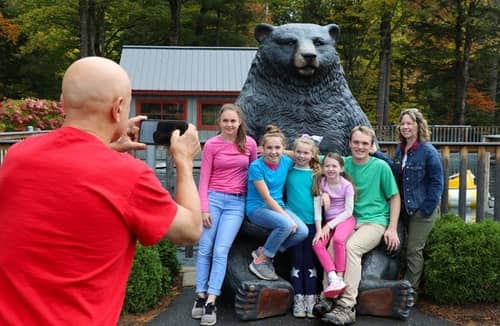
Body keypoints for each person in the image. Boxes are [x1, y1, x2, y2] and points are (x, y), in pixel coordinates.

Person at [0, 56, 202, 325]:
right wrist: (185, 162)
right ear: (118, 109)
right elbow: (189, 230)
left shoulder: (18, 153)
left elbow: (68, 170)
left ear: (62, 103)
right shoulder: (128, 176)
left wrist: (105, 146)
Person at [324, 125, 401, 325]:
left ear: (371, 145)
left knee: (351, 248)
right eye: (356, 142)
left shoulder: (380, 167)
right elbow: (312, 158)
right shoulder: (342, 164)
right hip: (349, 220)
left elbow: (394, 197)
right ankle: (328, 297)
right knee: (332, 245)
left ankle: (347, 306)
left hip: (374, 221)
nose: (360, 147)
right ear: (349, 143)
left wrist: (392, 228)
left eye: (365, 143)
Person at [192, 104, 257, 326]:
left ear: (240, 122)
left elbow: (254, 174)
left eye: (233, 121)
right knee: (205, 248)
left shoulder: (249, 144)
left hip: (236, 203)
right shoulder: (211, 145)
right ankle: (200, 295)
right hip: (214, 199)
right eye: (225, 121)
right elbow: (203, 179)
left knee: (221, 250)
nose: (229, 125)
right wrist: (204, 208)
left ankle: (212, 299)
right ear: (219, 122)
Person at [372, 108, 443, 293]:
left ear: (418, 125)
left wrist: (427, 209)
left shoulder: (428, 151)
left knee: (413, 251)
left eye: (409, 123)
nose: (405, 127)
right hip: (404, 209)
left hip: (422, 210)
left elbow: (437, 182)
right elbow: (395, 170)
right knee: (399, 248)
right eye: (402, 123)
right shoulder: (401, 150)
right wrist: (375, 153)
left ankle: (410, 294)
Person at [246, 125, 308, 281]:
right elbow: (266, 198)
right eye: (269, 148)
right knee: (286, 225)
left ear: (283, 148)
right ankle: (261, 261)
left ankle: (264, 251)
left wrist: (283, 151)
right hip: (258, 208)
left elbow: (304, 153)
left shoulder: (286, 161)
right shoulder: (256, 167)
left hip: (278, 206)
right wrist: (286, 218)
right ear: (262, 148)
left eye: (277, 148)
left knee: (302, 232)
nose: (273, 152)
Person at [285, 134, 322, 318]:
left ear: (313, 154)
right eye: (298, 152)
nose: (301, 155)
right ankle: (298, 298)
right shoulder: (289, 171)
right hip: (294, 226)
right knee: (296, 261)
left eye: (306, 152)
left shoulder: (317, 174)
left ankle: (311, 297)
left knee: (310, 262)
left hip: (312, 224)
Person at [312, 153, 356, 300]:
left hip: (345, 219)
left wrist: (328, 226)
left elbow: (348, 211)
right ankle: (333, 278)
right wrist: (319, 230)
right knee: (317, 244)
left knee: (338, 239)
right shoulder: (321, 183)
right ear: (323, 168)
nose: (330, 169)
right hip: (327, 222)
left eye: (334, 166)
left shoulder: (346, 185)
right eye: (327, 166)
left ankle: (340, 276)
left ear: (341, 168)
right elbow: (317, 209)